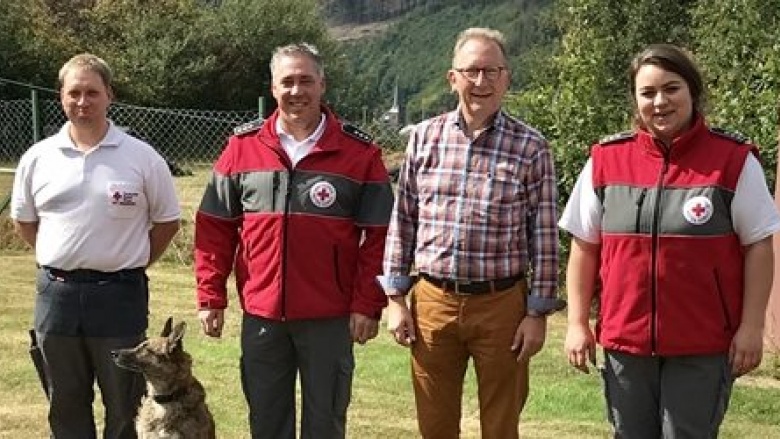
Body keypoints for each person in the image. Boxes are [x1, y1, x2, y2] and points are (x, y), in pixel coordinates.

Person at [560, 43, 780, 438]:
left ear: (693, 91)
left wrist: (751, 327)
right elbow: (584, 247)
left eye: (672, 88)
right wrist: (577, 323)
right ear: (636, 100)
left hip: (703, 345)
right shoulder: (605, 160)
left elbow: (759, 247)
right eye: (648, 93)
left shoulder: (733, 161)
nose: (660, 101)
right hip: (625, 344)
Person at [194, 43, 394, 439]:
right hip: (263, 316)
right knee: (266, 424)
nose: (296, 90)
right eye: (288, 81)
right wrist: (210, 296)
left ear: (323, 84)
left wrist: (368, 304)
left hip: (330, 317)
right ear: (273, 87)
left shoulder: (360, 153)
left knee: (326, 424)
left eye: (306, 80)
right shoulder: (241, 147)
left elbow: (380, 238)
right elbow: (214, 226)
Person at [380, 27, 564, 439]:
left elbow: (544, 238)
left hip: (502, 305)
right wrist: (395, 299)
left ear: (506, 78)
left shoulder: (531, 147)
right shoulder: (424, 139)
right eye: (472, 71)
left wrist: (536, 313)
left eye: (492, 71)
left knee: (501, 425)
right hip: (432, 301)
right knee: (435, 423)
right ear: (453, 79)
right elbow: (403, 219)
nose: (481, 82)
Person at [10, 53, 181, 438]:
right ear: (61, 97)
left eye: (92, 92)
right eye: (74, 93)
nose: (83, 101)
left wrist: (128, 263)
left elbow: (167, 222)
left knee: (125, 405)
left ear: (110, 96)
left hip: (119, 296)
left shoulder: (142, 157)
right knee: (65, 403)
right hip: (57, 297)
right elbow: (25, 222)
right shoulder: (37, 158)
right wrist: (63, 259)